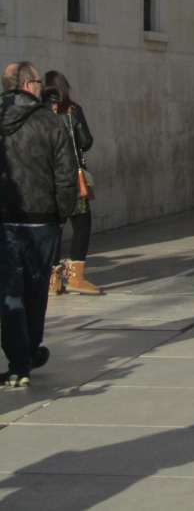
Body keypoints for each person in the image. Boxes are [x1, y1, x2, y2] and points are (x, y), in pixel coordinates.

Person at [0, 62, 78, 386]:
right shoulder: (51, 121)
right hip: (42, 221)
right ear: (28, 85)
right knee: (35, 292)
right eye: (36, 80)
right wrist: (62, 213)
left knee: (10, 292)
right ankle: (28, 352)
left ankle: (19, 362)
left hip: (6, 220)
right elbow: (66, 175)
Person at [42, 71, 101, 295]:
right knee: (82, 224)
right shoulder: (72, 110)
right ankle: (76, 277)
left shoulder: (38, 112)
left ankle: (53, 280)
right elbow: (86, 142)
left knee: (54, 228)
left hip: (47, 178)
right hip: (72, 179)